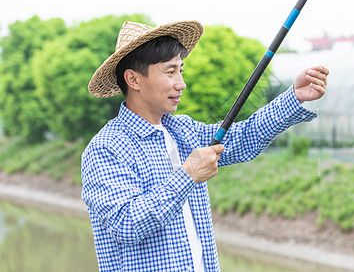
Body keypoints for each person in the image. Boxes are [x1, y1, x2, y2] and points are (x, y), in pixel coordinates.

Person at [81, 20, 329, 272]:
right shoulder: (106, 148)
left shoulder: (183, 131)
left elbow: (243, 137)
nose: (181, 84)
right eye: (170, 72)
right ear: (133, 79)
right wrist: (188, 174)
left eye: (181, 71)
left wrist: (293, 97)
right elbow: (127, 224)